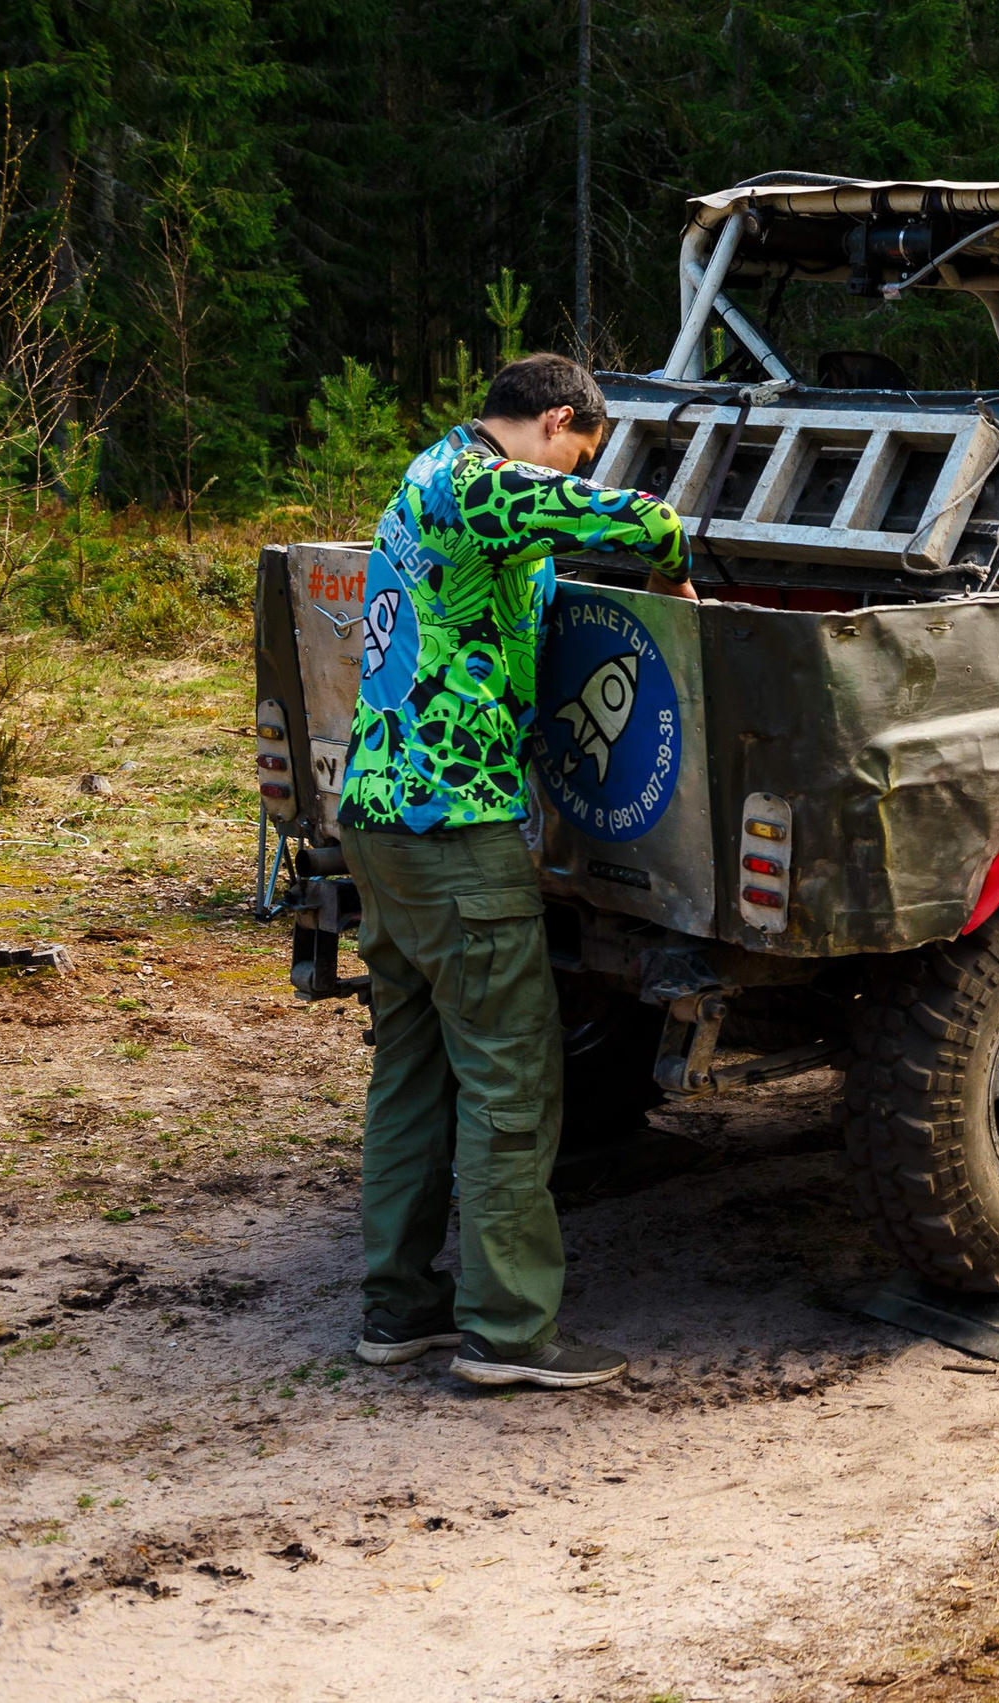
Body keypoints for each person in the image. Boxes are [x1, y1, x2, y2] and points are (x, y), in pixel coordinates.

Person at [335, 353, 695, 1388]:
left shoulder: (425, 473)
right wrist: (674, 562)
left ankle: (398, 1309)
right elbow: (625, 521)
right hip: (453, 823)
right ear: (555, 420)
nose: (573, 469)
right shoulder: (480, 480)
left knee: (411, 1067)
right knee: (510, 1075)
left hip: (383, 818)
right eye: (577, 449)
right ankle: (509, 1332)